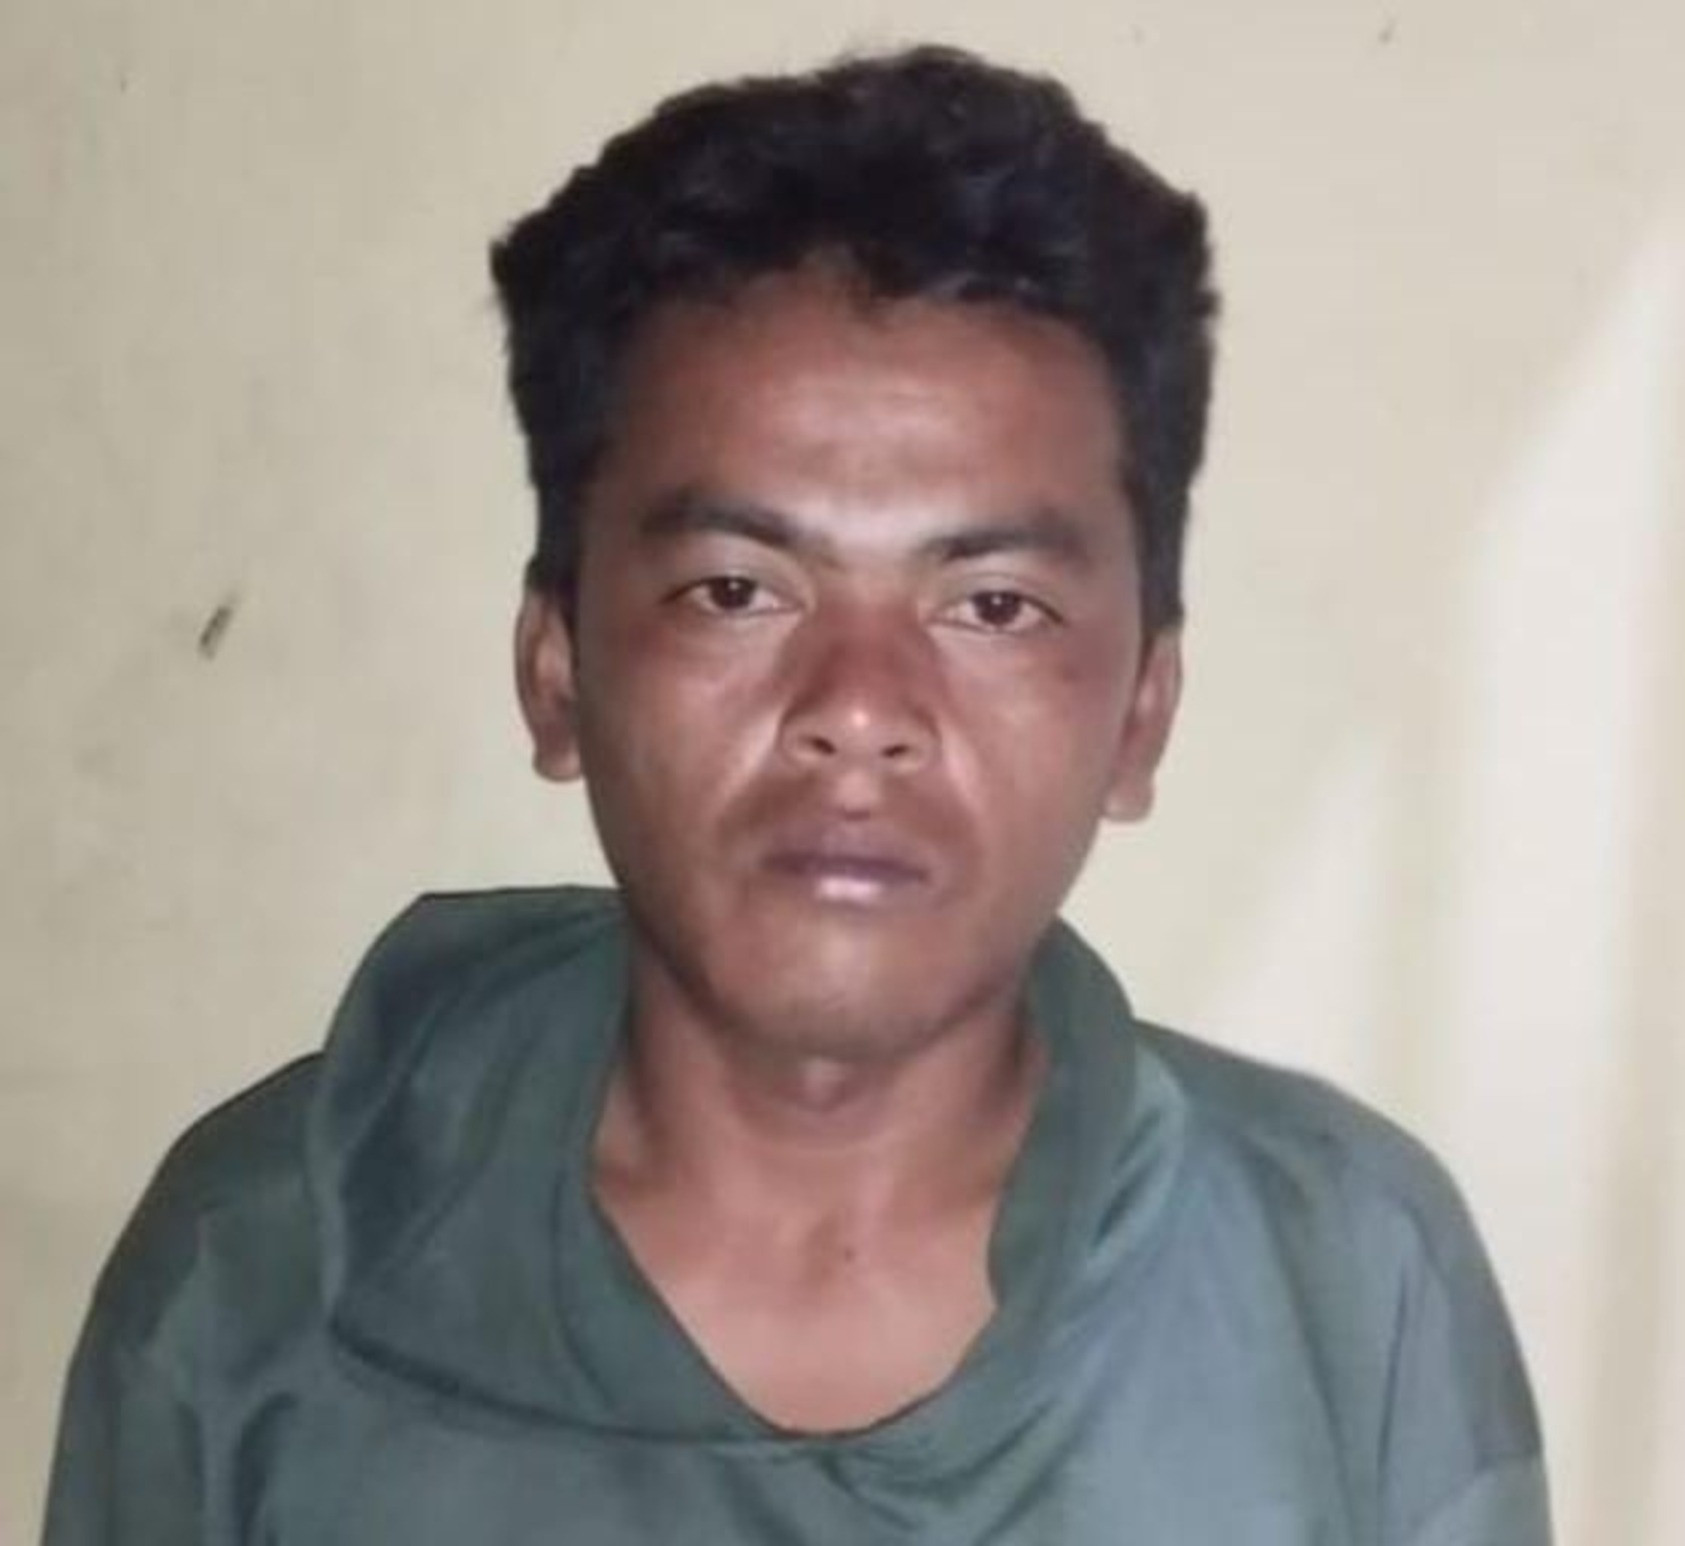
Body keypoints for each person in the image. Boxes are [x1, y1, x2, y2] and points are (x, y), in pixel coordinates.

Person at [43, 45, 1549, 1545]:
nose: (859, 709)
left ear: (1140, 714)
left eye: (993, 605)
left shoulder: (1345, 1287)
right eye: (736, 588)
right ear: (558, 670)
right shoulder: (252, 1279)